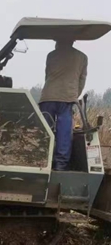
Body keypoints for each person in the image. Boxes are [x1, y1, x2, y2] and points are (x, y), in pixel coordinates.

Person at [39, 38, 88, 171]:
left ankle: (41, 159)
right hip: (67, 98)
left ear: (59, 42)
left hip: (48, 96)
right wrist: (73, 95)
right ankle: (60, 164)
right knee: (64, 131)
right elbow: (82, 80)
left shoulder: (51, 55)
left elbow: (47, 75)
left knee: (44, 130)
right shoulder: (82, 57)